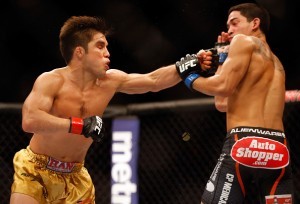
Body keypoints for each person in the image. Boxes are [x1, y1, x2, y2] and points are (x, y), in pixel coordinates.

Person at [9, 16, 212, 204]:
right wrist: (79, 125)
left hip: (75, 176)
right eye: (100, 46)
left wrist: (185, 66)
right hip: (35, 170)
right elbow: (30, 120)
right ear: (79, 52)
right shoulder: (51, 80)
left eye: (106, 46)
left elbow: (152, 81)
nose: (107, 53)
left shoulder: (110, 81)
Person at [175, 3, 293, 204]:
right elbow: (222, 103)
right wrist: (223, 57)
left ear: (255, 23)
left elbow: (222, 86)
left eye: (235, 23)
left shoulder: (243, 41)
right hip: (278, 151)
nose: (230, 30)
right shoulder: (277, 64)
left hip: (244, 144)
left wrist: (188, 76)